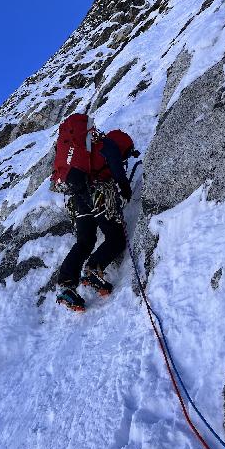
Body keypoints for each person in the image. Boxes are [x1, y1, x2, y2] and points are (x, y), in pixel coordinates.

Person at [56, 128, 136, 312]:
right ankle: (93, 269)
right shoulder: (110, 145)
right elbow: (116, 167)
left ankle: (67, 286)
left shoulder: (90, 151)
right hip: (96, 192)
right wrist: (125, 188)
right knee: (115, 238)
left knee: (85, 241)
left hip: (78, 196)